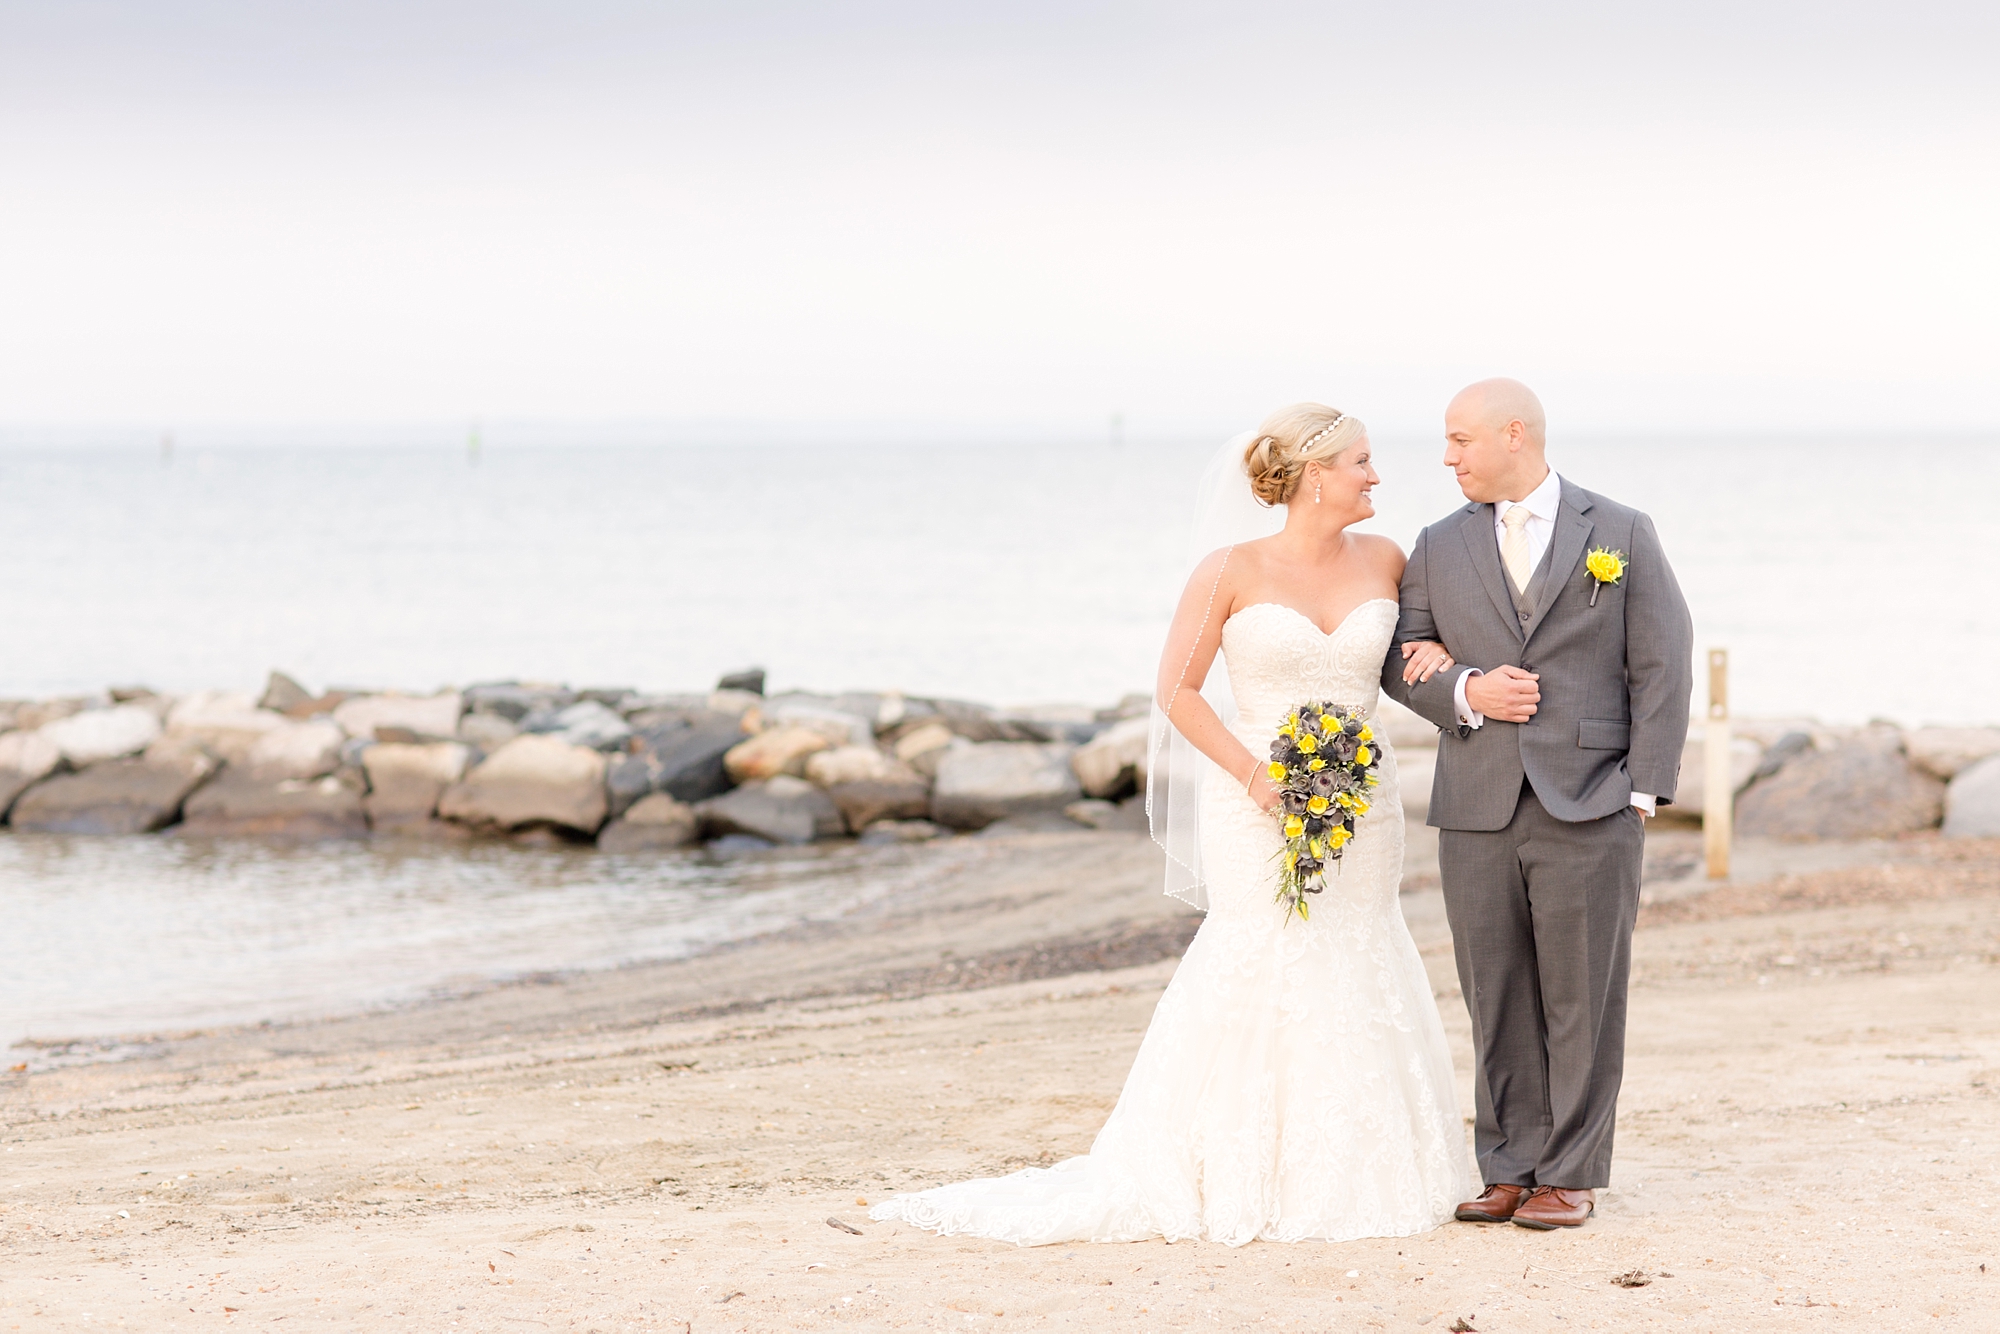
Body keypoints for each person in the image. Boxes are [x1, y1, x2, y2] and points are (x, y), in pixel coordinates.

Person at [869, 404, 1471, 1246]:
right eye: (1363, 461)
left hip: (1360, 804)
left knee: (1358, 946)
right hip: (1251, 793)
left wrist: (1449, 666)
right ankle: (1232, 1166)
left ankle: (1359, 1163)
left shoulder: (1390, 559)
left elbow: (1417, 657)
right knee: (1260, 951)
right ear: (1312, 474)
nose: (1377, 476)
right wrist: (1256, 775)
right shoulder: (1227, 569)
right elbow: (1179, 693)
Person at [1383, 378, 1692, 1230]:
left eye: (1459, 440)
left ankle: (1570, 1173)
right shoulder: (1438, 545)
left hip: (1592, 801)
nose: (1447, 458)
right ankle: (1507, 1167)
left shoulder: (1620, 531)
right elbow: (1400, 657)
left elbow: (1663, 662)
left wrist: (1641, 789)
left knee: (1583, 995)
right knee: (1496, 992)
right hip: (1477, 799)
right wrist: (1469, 687)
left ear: (1513, 434)